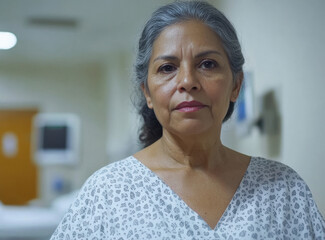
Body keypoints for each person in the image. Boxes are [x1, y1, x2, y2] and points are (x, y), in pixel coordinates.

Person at [51, 1, 325, 239]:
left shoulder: (284, 190)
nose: (187, 81)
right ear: (147, 92)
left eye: (207, 64)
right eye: (167, 68)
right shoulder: (107, 194)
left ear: (236, 85)